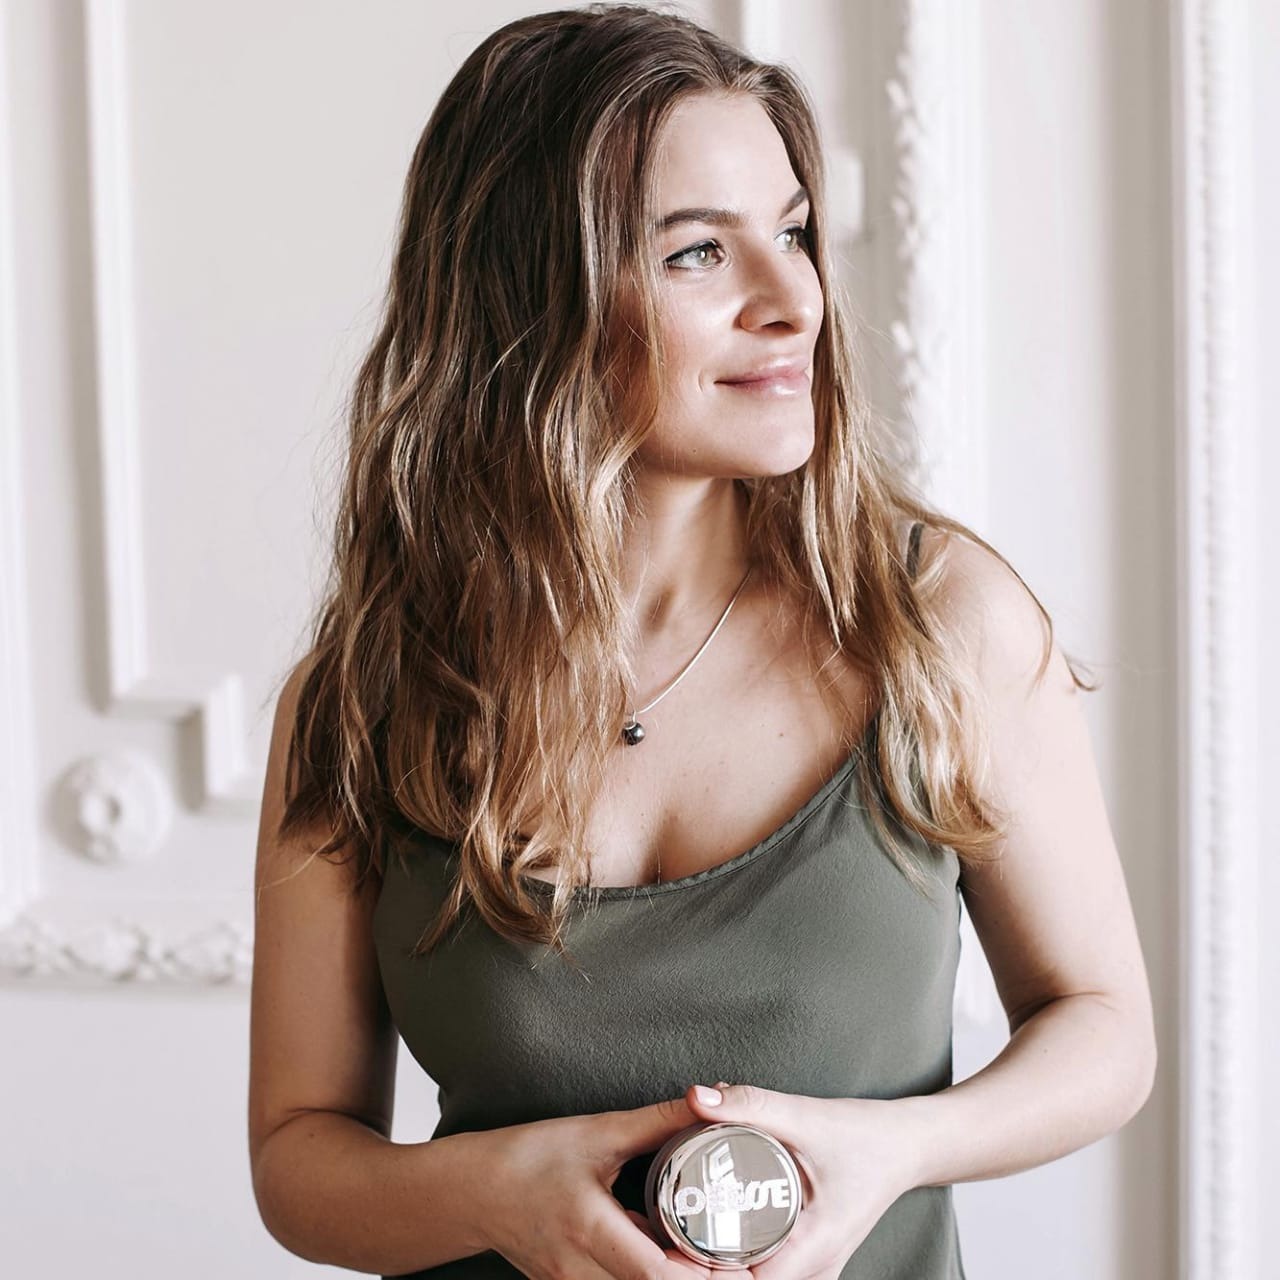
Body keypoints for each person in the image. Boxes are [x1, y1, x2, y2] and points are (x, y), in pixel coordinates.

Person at [247, 6, 1157, 1279]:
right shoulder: (369, 695)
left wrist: (891, 1149)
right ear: (529, 295)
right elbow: (299, 1155)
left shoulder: (936, 622)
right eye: (697, 253)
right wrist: (499, 1191)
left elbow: (1103, 1026)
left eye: (792, 233)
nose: (793, 302)